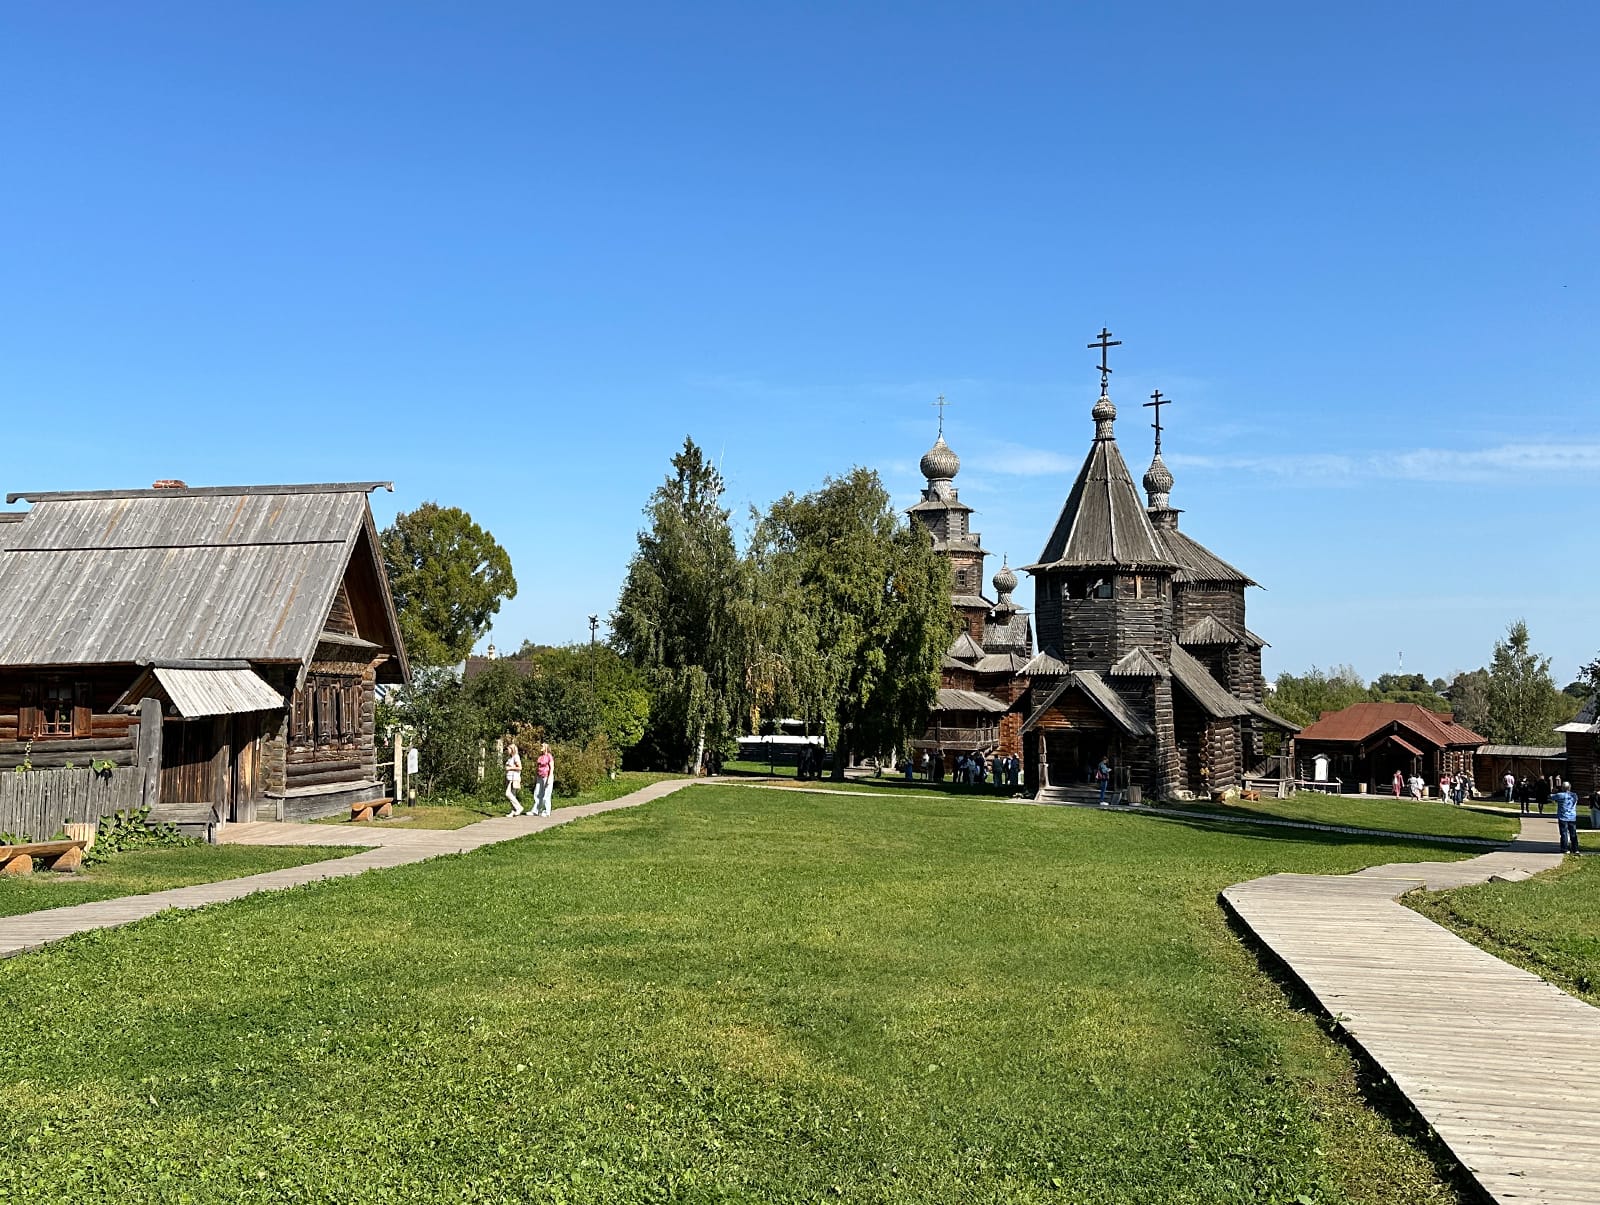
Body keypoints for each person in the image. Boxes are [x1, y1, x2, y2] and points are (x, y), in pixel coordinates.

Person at [1553, 780, 1580, 855]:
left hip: (1563, 817)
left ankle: (1564, 848)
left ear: (1562, 788)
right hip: (1572, 817)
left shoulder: (1560, 795)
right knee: (1573, 833)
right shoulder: (1574, 795)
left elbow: (1550, 797)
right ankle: (1575, 849)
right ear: (1569, 787)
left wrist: (1554, 791)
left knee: (1564, 833)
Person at [531, 742, 554, 816]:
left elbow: (552, 767)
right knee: (537, 793)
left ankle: (547, 812)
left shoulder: (549, 756)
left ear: (546, 748)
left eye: (542, 746)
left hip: (547, 776)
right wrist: (536, 776)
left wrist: (550, 777)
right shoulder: (540, 757)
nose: (541, 747)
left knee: (546, 794)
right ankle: (536, 810)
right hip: (539, 776)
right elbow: (537, 767)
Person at [503, 740, 524, 817]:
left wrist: (510, 768)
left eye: (509, 749)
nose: (507, 750)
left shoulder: (516, 757)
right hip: (509, 778)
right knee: (513, 795)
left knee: (508, 793)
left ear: (512, 749)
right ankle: (513, 811)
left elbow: (520, 767)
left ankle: (519, 807)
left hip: (514, 778)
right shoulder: (510, 758)